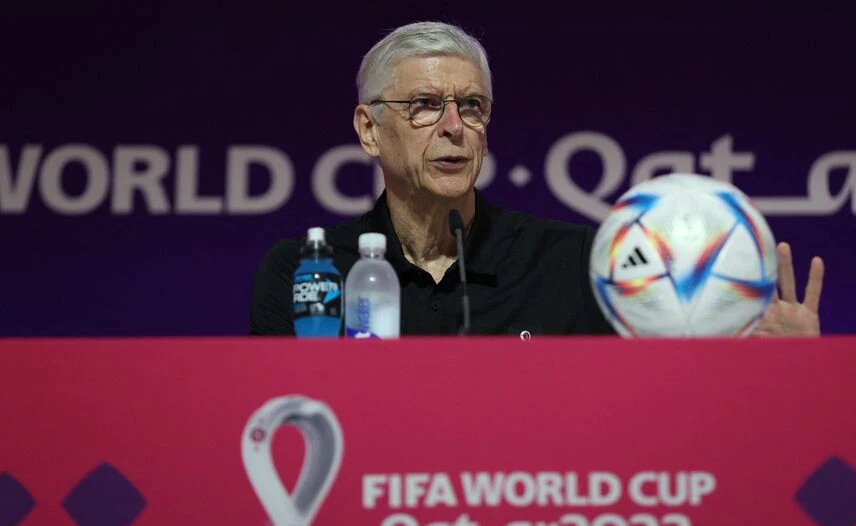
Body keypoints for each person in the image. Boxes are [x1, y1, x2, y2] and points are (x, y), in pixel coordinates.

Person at [249, 21, 824, 337]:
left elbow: (667, 411)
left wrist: (776, 366)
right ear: (370, 130)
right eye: (425, 105)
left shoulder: (576, 261)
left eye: (472, 106)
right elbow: (273, 417)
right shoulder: (308, 273)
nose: (455, 127)